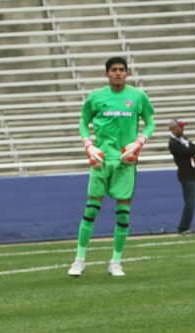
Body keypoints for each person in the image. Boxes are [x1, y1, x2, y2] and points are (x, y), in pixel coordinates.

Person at [68, 56, 155, 277]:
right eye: (114, 70)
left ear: (127, 73)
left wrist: (138, 142)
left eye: (121, 70)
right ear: (106, 73)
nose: (118, 73)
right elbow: (83, 122)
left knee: (123, 214)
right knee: (90, 210)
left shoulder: (137, 96)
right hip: (101, 159)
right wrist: (89, 146)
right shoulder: (96, 97)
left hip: (125, 161)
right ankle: (79, 259)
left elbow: (151, 121)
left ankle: (116, 261)